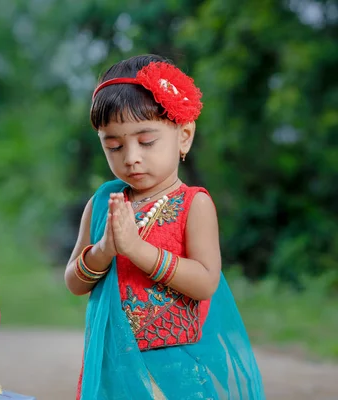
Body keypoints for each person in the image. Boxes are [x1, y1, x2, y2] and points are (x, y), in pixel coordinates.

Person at [64, 54, 265, 399]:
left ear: (184, 136)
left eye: (146, 142)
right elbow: (74, 282)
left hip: (172, 367)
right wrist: (104, 250)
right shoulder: (103, 204)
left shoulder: (194, 204)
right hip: (111, 363)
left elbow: (205, 282)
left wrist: (137, 250)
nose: (131, 157)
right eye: (113, 145)